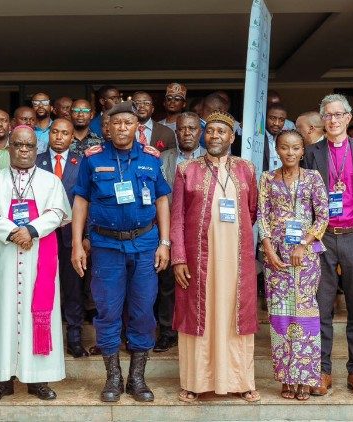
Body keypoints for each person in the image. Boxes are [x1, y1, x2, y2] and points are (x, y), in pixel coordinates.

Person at [71, 100, 171, 403]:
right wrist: (77, 243)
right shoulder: (92, 159)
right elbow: (80, 202)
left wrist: (165, 242)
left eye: (128, 123)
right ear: (107, 127)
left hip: (144, 245)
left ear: (137, 128)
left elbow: (162, 200)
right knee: (108, 310)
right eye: (116, 123)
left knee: (142, 312)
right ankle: (113, 376)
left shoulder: (151, 160)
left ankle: (137, 378)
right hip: (106, 247)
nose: (122, 128)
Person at [0, 125, 71, 402]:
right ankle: (1, 379)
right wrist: (14, 232)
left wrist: (32, 231)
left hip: (40, 258)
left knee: (38, 316)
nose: (23, 150)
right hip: (2, 260)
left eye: (29, 146)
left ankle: (38, 380)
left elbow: (58, 212)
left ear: (36, 150)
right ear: (9, 147)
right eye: (18, 145)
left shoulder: (51, 181)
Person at [170, 111, 260, 403]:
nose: (215, 136)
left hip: (237, 259)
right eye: (210, 132)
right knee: (199, 315)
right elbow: (177, 218)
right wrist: (179, 258)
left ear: (232, 137)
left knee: (237, 314)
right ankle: (195, 382)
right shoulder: (187, 169)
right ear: (203, 136)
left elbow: (253, 210)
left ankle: (241, 381)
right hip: (199, 260)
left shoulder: (246, 169)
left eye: (222, 132)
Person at [303, 94, 353, 398]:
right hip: (322, 238)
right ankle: (323, 371)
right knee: (321, 307)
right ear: (322, 120)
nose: (333, 120)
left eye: (338, 115)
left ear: (348, 118)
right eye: (328, 115)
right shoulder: (311, 153)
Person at [258, 130, 329, 401]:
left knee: (306, 316)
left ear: (303, 151)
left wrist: (305, 244)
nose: (290, 152)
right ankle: (286, 378)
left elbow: (323, 216)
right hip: (275, 258)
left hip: (306, 257)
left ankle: (305, 376)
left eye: (295, 148)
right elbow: (261, 217)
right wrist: (268, 250)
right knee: (280, 316)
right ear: (277, 150)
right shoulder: (267, 179)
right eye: (285, 148)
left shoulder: (313, 178)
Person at [35, 119, 88, 357]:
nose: (58, 136)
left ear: (71, 137)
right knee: (42, 286)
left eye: (64, 133)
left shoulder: (83, 162)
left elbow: (91, 201)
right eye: (54, 132)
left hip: (71, 237)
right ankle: (42, 335)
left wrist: (87, 236)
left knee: (73, 286)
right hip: (41, 237)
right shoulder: (35, 161)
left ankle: (74, 336)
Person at [155, 111, 206, 353]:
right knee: (167, 282)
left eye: (192, 128)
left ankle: (196, 329)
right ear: (176, 132)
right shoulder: (162, 158)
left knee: (198, 281)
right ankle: (166, 331)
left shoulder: (211, 159)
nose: (187, 133)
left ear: (200, 131)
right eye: (182, 129)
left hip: (200, 231)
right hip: (167, 228)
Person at [264, 103, 288, 171]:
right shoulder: (258, 139)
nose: (276, 123)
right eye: (272, 118)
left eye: (281, 120)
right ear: (265, 117)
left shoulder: (285, 139)